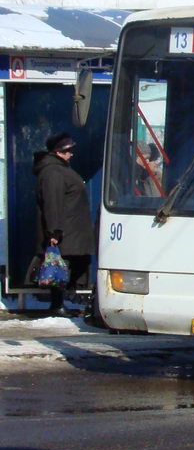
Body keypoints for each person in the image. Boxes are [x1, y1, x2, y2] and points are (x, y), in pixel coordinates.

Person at [33, 132, 96, 318]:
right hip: (65, 229)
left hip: (72, 228)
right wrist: (54, 230)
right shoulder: (53, 171)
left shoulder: (60, 169)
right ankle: (57, 304)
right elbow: (52, 202)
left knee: (75, 263)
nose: (72, 154)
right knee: (61, 266)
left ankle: (62, 300)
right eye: (69, 150)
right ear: (59, 151)